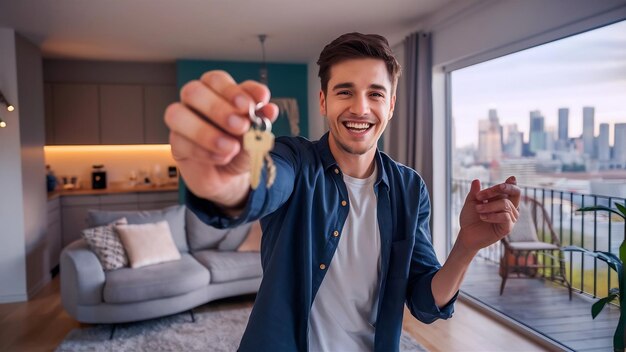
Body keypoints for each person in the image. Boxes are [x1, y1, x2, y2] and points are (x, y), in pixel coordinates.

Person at [164, 32, 520, 351]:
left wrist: (466, 246)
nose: (360, 108)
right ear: (323, 101)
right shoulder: (295, 161)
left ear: (391, 105)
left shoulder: (410, 188)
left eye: (375, 94)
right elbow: (263, 185)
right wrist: (229, 185)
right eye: (344, 91)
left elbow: (425, 304)